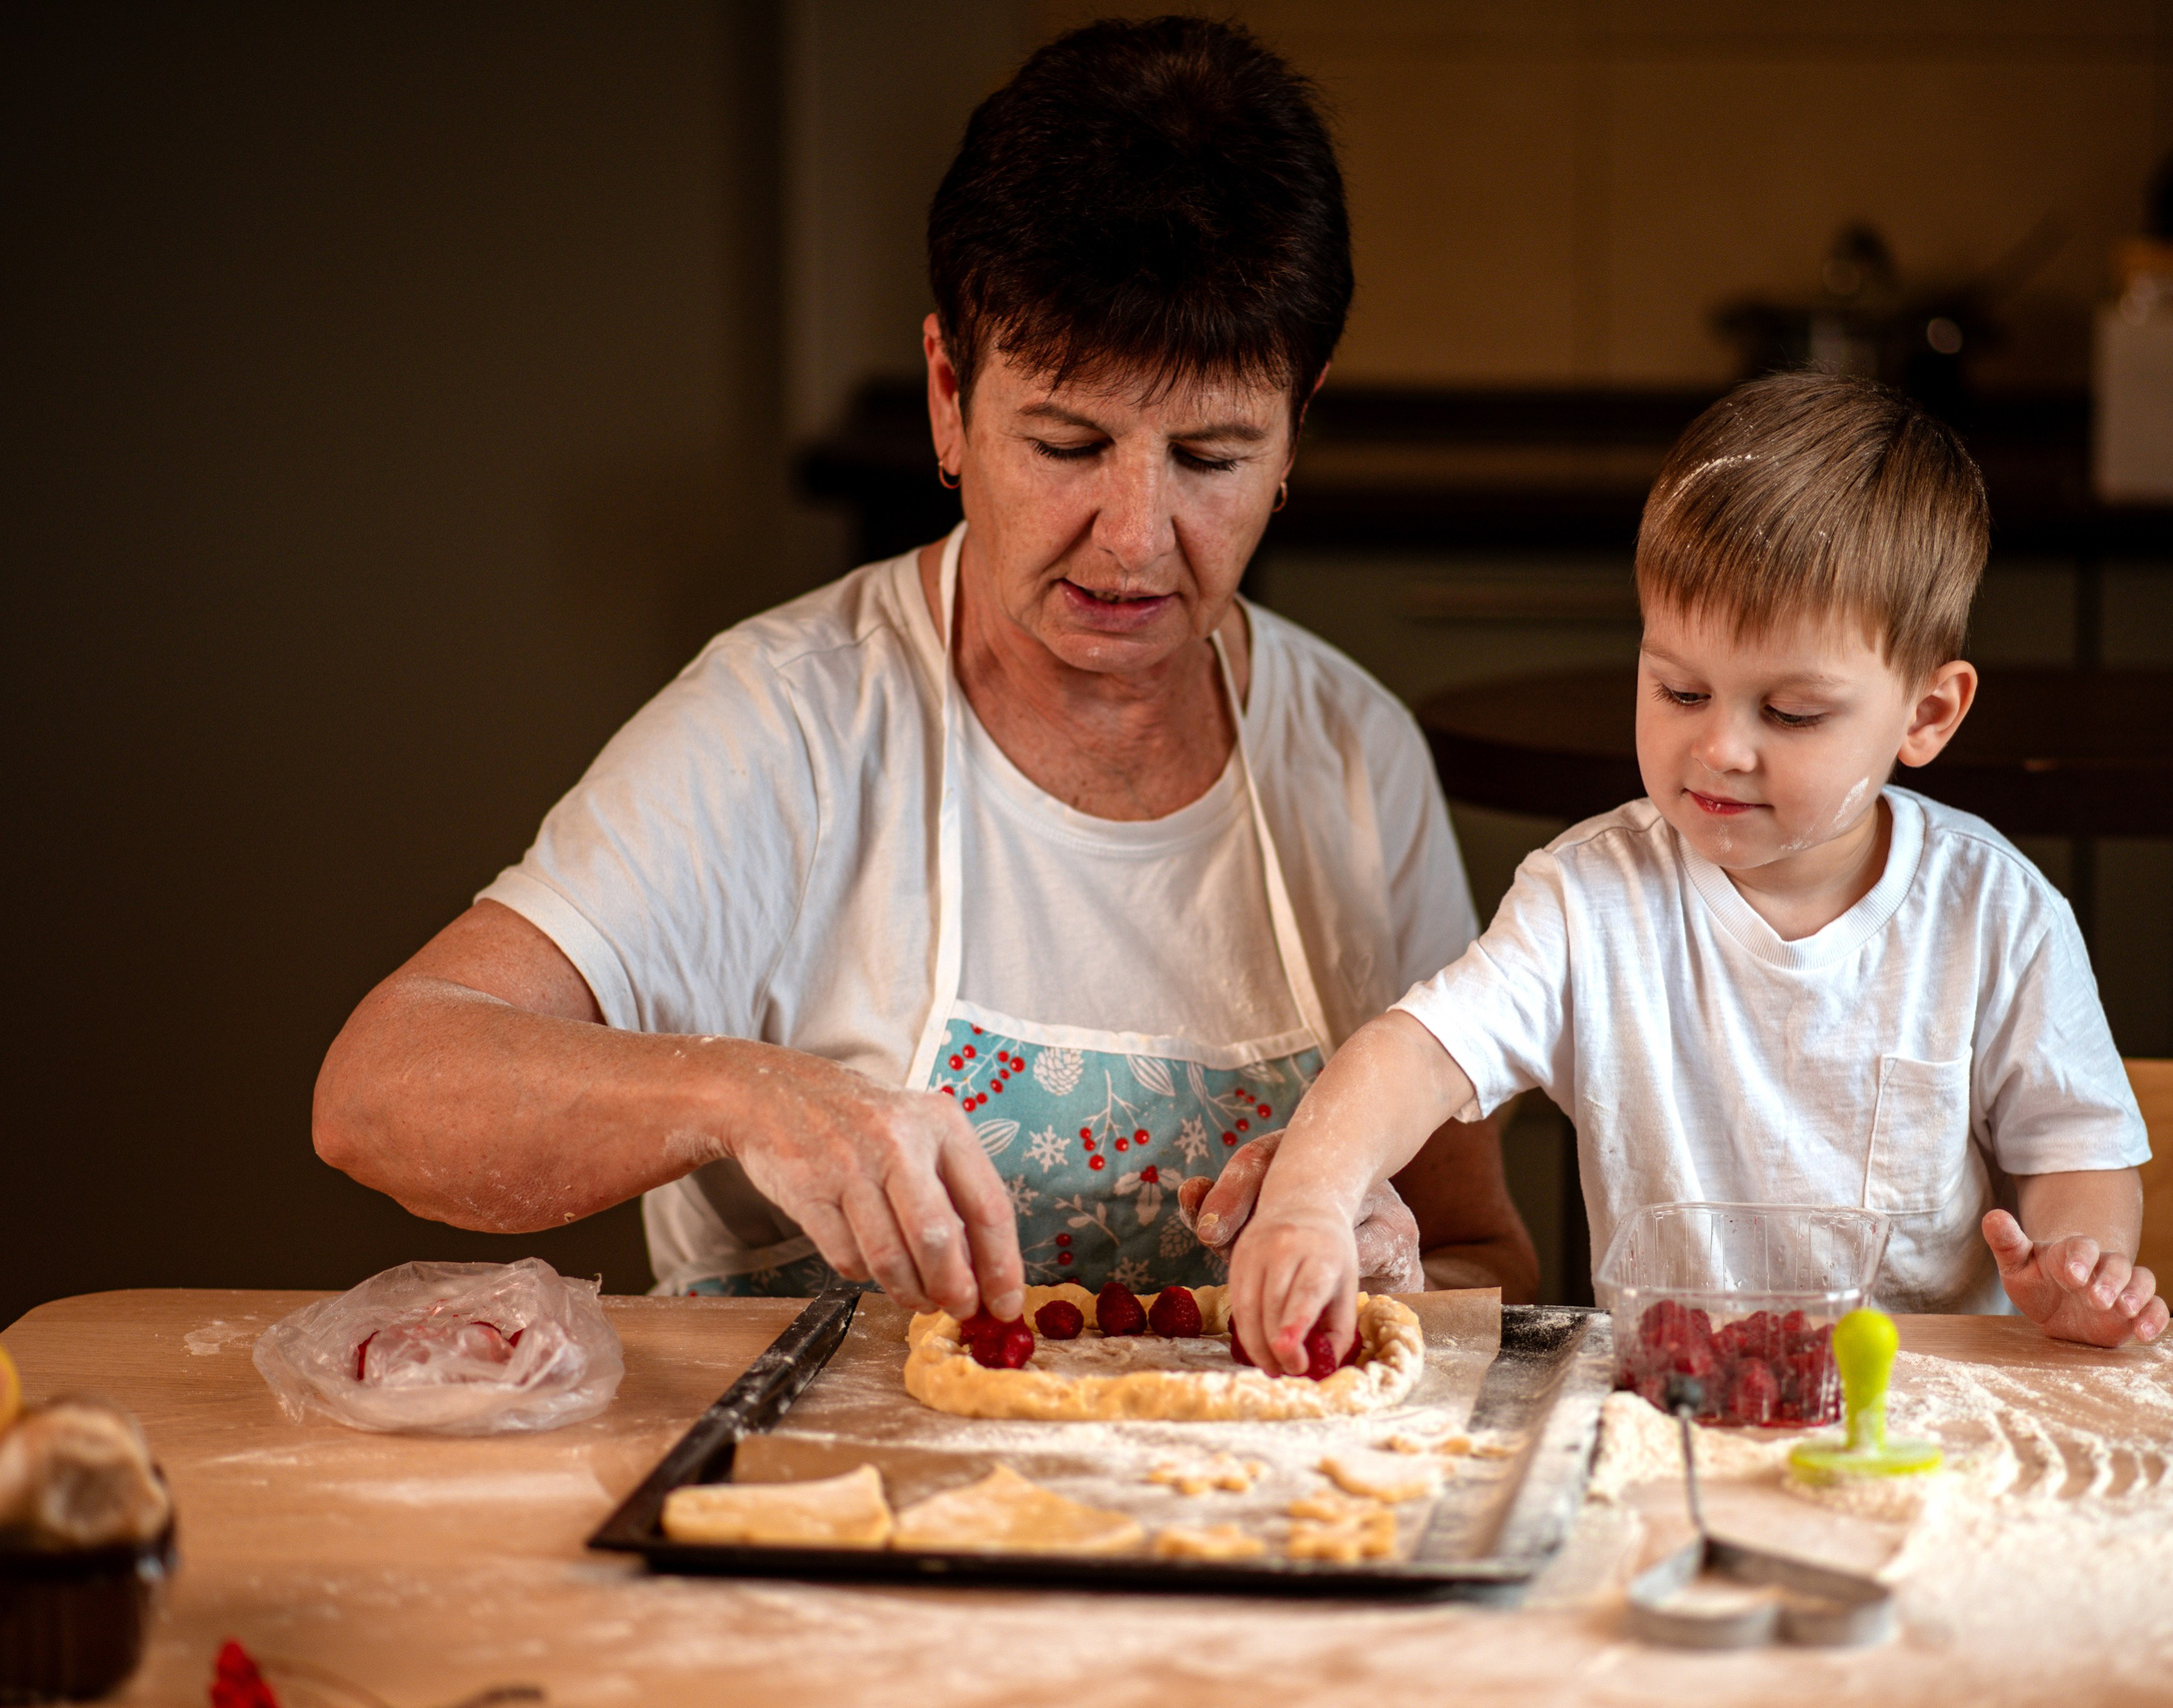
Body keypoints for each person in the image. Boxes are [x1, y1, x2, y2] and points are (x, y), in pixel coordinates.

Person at [312, 16, 1534, 1313]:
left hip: (1232, 1507)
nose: (1134, 538)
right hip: (830, 1501)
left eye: (1213, 459)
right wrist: (747, 1092)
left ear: (1298, 430)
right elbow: (381, 1086)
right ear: (950, 394)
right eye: (1066, 444)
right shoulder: (790, 725)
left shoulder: (1351, 752)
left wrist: (1400, 1268)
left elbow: (1481, 1255)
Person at [1224, 372, 2170, 1372]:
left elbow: (2073, 1153)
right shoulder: (1590, 900)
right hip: (1667, 1409)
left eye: (1791, 713)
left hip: (1916, 1418)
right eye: (1679, 689)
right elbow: (1416, 1052)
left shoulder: (1994, 912)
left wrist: (2079, 1264)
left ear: (1926, 714)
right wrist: (1310, 1196)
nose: (1719, 746)